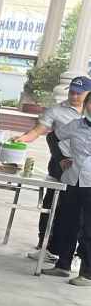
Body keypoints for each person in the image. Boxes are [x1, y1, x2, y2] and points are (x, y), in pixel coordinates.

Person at [13, 76, 91, 257]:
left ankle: (71, 254)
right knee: (53, 205)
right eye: (72, 92)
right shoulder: (57, 111)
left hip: (85, 171)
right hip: (61, 165)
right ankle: (46, 245)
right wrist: (22, 139)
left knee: (77, 215)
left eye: (80, 93)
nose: (74, 96)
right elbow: (40, 132)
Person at [40, 95, 91, 284]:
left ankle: (87, 273)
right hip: (72, 179)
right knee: (67, 223)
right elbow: (52, 137)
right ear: (86, 105)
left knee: (89, 228)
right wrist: (61, 158)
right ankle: (63, 265)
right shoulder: (76, 125)